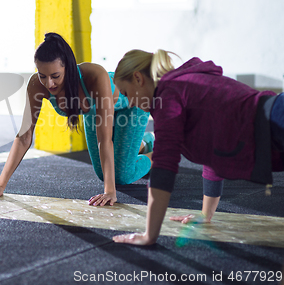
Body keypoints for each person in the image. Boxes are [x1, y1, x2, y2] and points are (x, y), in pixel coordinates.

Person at [111, 49, 284, 246]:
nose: (130, 103)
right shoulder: (182, 85)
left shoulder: (167, 95)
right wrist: (206, 214)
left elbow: (163, 167)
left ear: (138, 78)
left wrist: (149, 235)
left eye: (126, 93)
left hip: (276, 121)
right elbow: (213, 150)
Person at [0, 33, 153, 206]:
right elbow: (24, 136)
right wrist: (0, 185)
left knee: (121, 176)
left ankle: (155, 149)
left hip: (131, 103)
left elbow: (104, 140)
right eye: (43, 76)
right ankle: (141, 144)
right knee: (102, 173)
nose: (49, 84)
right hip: (93, 112)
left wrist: (109, 191)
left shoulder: (95, 76)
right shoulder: (36, 85)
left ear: (68, 67)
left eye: (55, 76)